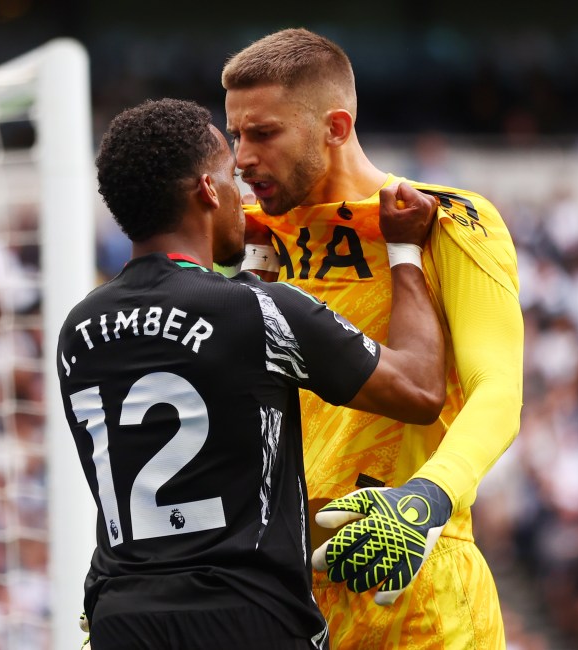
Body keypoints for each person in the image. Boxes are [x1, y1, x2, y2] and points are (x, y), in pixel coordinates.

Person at [57, 97, 448, 650]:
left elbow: (212, 371)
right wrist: (404, 248)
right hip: (247, 618)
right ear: (208, 191)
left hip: (122, 620)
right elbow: (419, 387)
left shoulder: (79, 328)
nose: (244, 196)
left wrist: (255, 263)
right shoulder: (258, 312)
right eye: (230, 180)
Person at [222, 28, 524, 649]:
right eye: (236, 136)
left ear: (335, 127)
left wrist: (425, 502)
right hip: (288, 593)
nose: (242, 158)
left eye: (264, 134)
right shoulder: (260, 243)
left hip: (414, 581)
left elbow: (498, 390)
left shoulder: (444, 217)